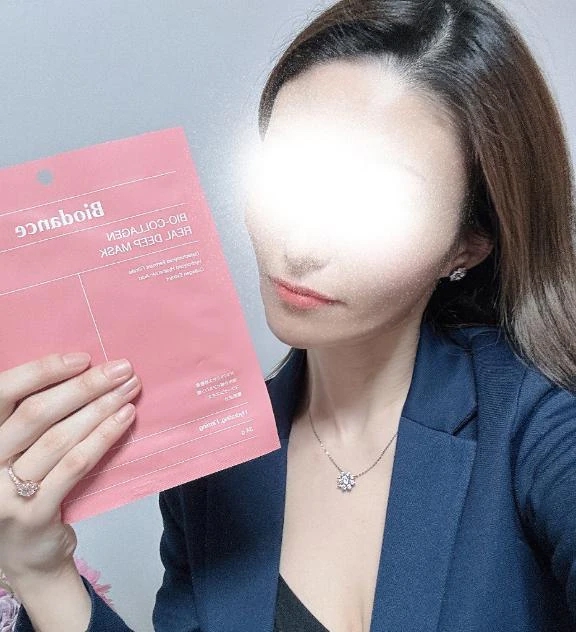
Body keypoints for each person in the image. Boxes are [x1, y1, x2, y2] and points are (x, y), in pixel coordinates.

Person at [2, 0, 576, 629]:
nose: (299, 247)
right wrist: (41, 568)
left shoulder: (540, 427)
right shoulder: (217, 464)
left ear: (468, 243)